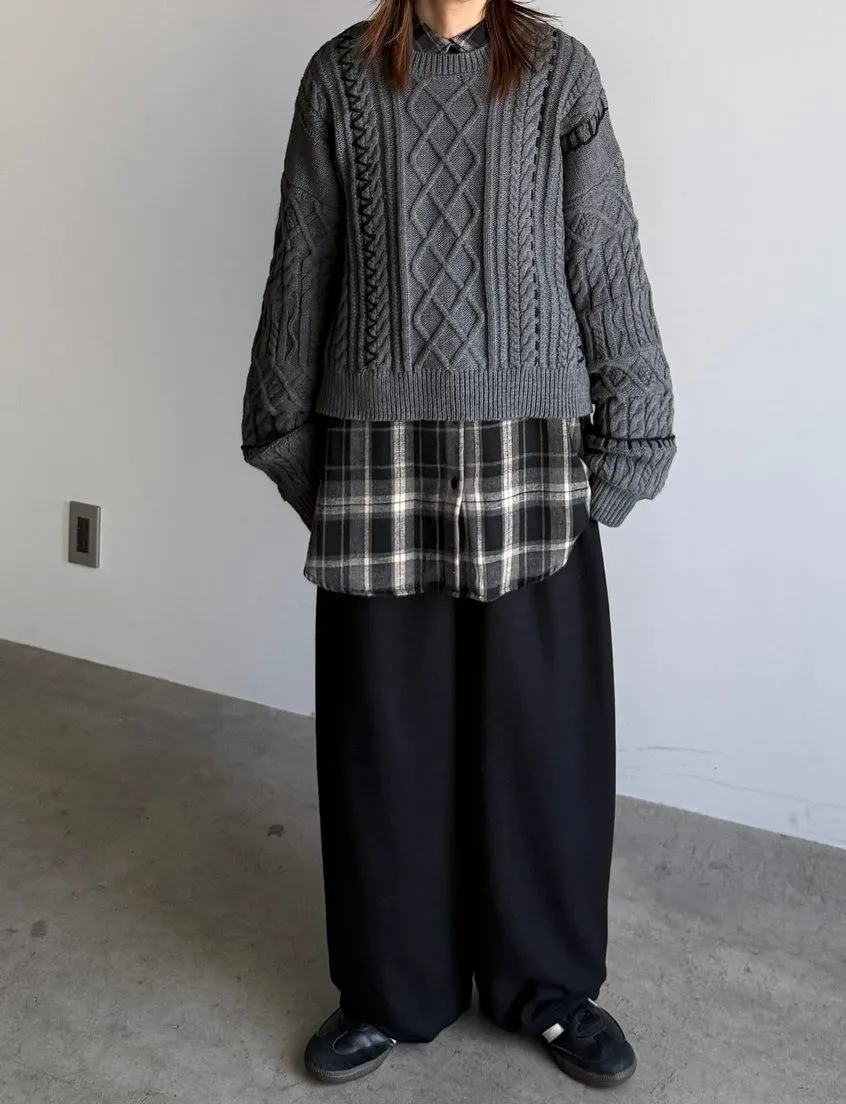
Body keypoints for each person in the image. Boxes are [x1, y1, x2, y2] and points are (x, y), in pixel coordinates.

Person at [241, 0, 675, 1088]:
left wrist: (634, 429)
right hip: (377, 449)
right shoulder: (340, 78)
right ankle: (391, 989)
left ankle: (550, 988)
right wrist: (284, 431)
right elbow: (304, 257)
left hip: (532, 451)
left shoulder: (559, 73)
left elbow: (604, 251)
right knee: (384, 743)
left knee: (543, 742)